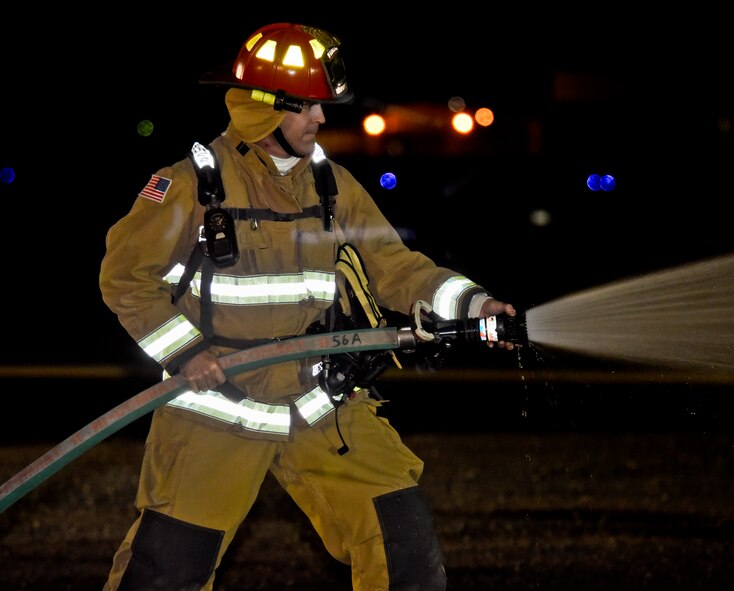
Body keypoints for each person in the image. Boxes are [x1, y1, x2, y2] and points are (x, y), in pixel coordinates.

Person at [99, 22, 518, 591]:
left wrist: (473, 302)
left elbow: (394, 267)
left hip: (321, 403)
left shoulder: (333, 186)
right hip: (218, 408)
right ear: (262, 109)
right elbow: (126, 279)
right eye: (308, 108)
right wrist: (187, 354)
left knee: (402, 543)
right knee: (167, 571)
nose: (321, 120)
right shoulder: (190, 186)